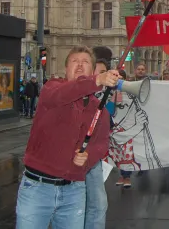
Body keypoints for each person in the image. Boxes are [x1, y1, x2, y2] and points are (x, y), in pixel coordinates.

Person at [16, 46, 118, 229]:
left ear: (92, 69)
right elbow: (65, 93)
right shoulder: (52, 88)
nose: (79, 65)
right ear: (65, 68)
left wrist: (88, 156)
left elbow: (102, 143)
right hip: (37, 189)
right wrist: (97, 80)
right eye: (74, 61)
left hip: (74, 191)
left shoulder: (99, 109)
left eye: (85, 62)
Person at [84, 46, 113, 229]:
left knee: (97, 205)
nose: (105, 77)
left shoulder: (105, 95)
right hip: (80, 157)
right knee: (93, 205)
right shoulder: (79, 93)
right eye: (101, 73)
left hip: (93, 158)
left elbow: (108, 125)